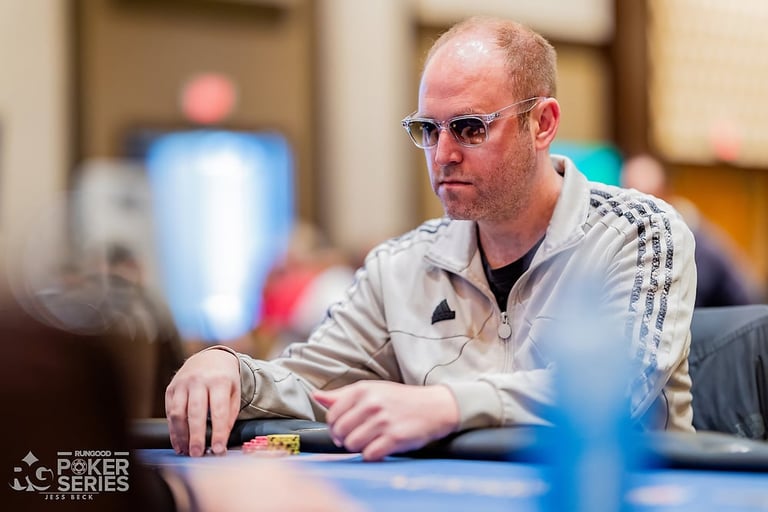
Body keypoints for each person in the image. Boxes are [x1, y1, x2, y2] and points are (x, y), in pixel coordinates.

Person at [165, 16, 697, 462]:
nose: (442, 154)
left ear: (542, 124)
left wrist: (446, 405)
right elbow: (308, 383)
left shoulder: (638, 232)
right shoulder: (400, 268)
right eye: (428, 129)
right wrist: (229, 369)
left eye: (469, 127)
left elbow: (612, 391)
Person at [621, 153, 764, 308]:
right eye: (632, 203)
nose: (640, 213)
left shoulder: (695, 244)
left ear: (666, 194)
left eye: (648, 201)